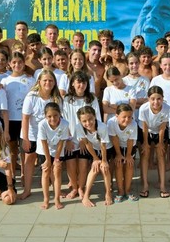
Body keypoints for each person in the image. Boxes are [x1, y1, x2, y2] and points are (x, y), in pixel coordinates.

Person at [21, 70, 61, 199]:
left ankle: (55, 191)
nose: (47, 83)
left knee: (50, 162)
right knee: (30, 160)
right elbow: (25, 118)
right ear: (39, 82)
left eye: (50, 80)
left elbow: (60, 118)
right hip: (33, 135)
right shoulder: (31, 97)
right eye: (45, 80)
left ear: (54, 82)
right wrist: (26, 138)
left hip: (50, 136)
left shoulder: (57, 98)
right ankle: (27, 189)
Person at [62, 71, 101, 200]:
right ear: (73, 83)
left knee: (84, 165)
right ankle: (74, 188)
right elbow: (64, 120)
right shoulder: (67, 99)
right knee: (71, 165)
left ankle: (81, 188)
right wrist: (67, 139)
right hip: (70, 138)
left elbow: (97, 120)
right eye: (78, 82)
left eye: (84, 82)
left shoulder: (92, 99)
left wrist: (87, 139)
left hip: (86, 140)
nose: (81, 85)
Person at [1, 52, 36, 184]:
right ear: (9, 64)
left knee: (24, 148)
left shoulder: (30, 80)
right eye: (14, 62)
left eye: (20, 62)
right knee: (12, 148)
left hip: (25, 119)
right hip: (10, 120)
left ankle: (24, 174)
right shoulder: (4, 81)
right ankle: (12, 175)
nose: (17, 65)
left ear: (24, 63)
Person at [76, 106, 113, 207]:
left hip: (106, 149)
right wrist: (95, 159)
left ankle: (108, 193)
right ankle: (86, 196)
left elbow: (103, 145)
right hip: (93, 149)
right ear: (80, 121)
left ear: (95, 117)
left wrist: (104, 161)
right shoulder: (78, 127)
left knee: (104, 168)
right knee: (94, 168)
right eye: (84, 121)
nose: (88, 123)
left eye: (90, 119)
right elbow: (87, 143)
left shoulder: (102, 127)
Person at [37, 102, 70, 209]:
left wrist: (56, 159)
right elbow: (44, 142)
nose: (53, 119)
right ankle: (46, 199)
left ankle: (57, 198)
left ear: (60, 114)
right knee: (46, 172)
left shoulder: (65, 124)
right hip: (44, 150)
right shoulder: (42, 124)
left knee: (57, 171)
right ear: (45, 116)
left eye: (55, 115)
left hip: (57, 150)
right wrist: (48, 160)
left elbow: (61, 142)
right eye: (49, 116)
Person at [106, 104, 139, 202]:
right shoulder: (111, 122)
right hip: (116, 146)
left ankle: (127, 191)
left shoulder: (133, 124)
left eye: (129, 117)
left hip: (129, 146)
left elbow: (130, 140)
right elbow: (114, 138)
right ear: (116, 116)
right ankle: (120, 191)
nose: (127, 119)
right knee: (118, 164)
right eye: (124, 117)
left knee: (129, 165)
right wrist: (118, 154)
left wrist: (128, 155)